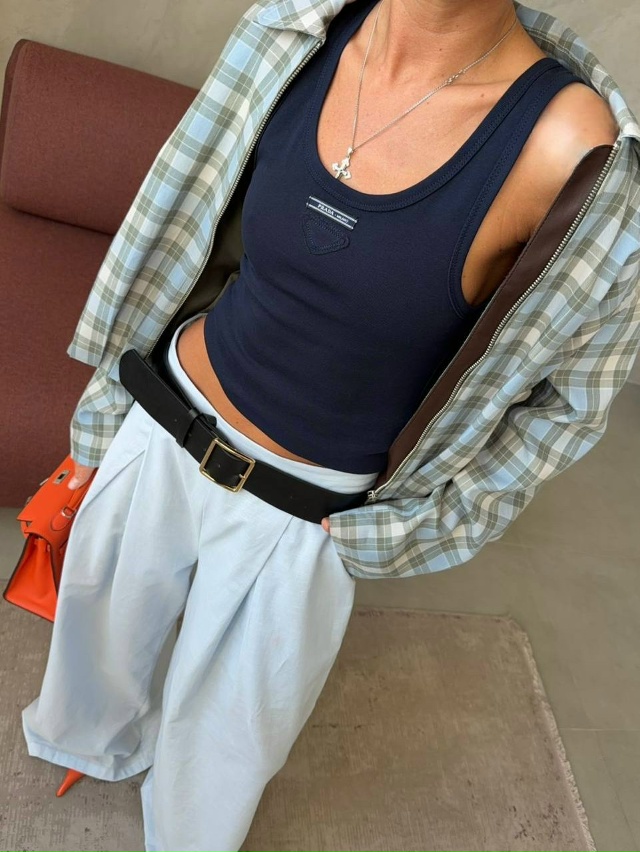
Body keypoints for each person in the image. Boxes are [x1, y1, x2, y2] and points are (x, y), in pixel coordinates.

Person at [21, 0, 640, 850]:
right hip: (165, 415)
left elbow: (570, 402)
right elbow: (171, 215)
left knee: (226, 745)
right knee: (99, 630)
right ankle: (84, 743)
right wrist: (109, 408)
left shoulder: (575, 150)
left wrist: (413, 532)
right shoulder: (294, 31)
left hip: (304, 510)